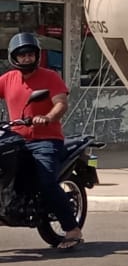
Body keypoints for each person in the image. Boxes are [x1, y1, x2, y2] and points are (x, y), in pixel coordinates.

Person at [0, 33, 82, 250]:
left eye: (30, 54)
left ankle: (72, 229)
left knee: (45, 181)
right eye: (22, 55)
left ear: (36, 55)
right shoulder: (8, 79)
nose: (26, 59)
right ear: (13, 57)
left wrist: (47, 117)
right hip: (15, 138)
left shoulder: (50, 77)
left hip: (45, 139)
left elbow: (60, 103)